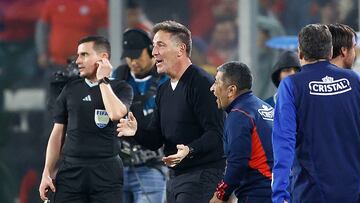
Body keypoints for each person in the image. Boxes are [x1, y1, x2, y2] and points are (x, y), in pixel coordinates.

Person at [117, 20, 225, 203]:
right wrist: (136, 132)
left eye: (160, 45)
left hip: (202, 175)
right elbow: (155, 139)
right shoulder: (164, 89)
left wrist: (190, 150)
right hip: (175, 178)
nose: (154, 52)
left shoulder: (202, 83)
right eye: (153, 46)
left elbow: (216, 134)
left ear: (180, 50)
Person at [38, 35, 133, 202]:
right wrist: (47, 171)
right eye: (78, 55)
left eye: (84, 55)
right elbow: (57, 133)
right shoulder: (70, 89)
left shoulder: (121, 87)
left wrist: (103, 80)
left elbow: (116, 113)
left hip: (106, 172)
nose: (78, 61)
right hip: (71, 171)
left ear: (103, 58)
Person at [272, 24, 360, 203]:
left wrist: (279, 194)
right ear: (329, 52)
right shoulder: (355, 80)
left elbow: (284, 142)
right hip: (353, 191)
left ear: (300, 54)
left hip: (311, 192)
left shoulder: (291, 86)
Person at [112, 29, 168, 203]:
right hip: (119, 167)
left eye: (137, 55)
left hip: (151, 166)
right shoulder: (119, 76)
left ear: (150, 50)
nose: (132, 61)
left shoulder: (165, 79)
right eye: (128, 57)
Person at [209, 61, 274, 203]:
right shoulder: (265, 107)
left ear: (231, 90)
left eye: (216, 82)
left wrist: (221, 194)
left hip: (258, 194)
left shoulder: (239, 115)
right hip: (282, 191)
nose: (212, 88)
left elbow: (237, 163)